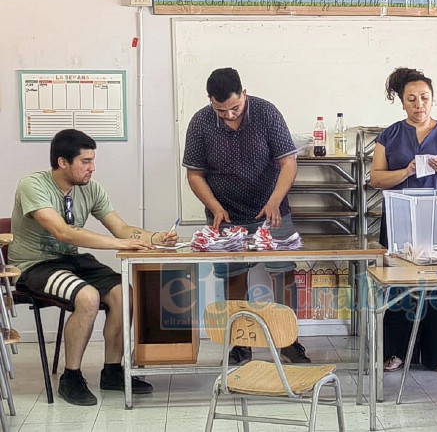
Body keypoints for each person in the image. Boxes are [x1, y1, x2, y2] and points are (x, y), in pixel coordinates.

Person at [9, 129, 179, 406]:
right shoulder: (33, 185)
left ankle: (112, 371)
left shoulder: (91, 188)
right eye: (85, 161)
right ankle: (71, 377)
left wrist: (155, 237)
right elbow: (64, 233)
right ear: (63, 162)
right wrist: (117, 244)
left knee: (125, 294)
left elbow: (122, 228)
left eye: (92, 160)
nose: (92, 167)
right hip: (34, 265)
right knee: (87, 297)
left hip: (72, 262)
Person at [182, 67, 309, 365]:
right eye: (221, 110)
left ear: (244, 94)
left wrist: (275, 202)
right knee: (233, 277)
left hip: (272, 207)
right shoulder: (201, 122)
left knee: (284, 274)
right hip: (225, 212)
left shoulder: (266, 113)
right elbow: (195, 174)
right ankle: (241, 342)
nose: (228, 115)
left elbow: (288, 163)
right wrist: (214, 206)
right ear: (210, 101)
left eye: (234, 108)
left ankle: (287, 340)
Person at [370, 67, 437, 372]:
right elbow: (376, 178)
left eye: (424, 98)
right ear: (402, 103)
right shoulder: (389, 135)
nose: (419, 105)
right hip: (400, 218)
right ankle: (396, 351)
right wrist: (406, 172)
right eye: (411, 99)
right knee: (399, 284)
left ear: (433, 99)